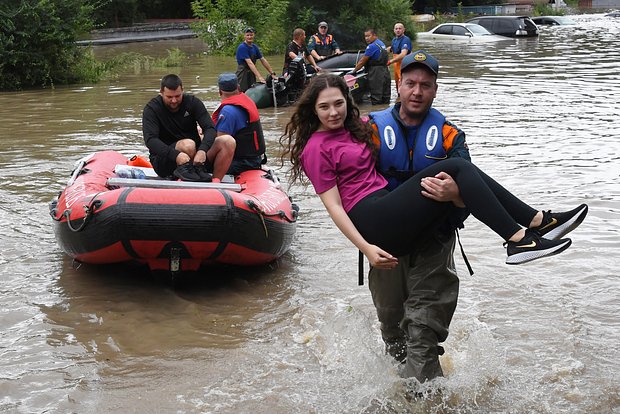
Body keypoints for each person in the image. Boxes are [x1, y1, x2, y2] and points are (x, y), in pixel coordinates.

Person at [279, 72, 588, 275]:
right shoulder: (315, 148)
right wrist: (366, 249)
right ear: (313, 110)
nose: (334, 113)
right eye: (324, 107)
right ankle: (523, 235)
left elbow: (401, 119)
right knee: (458, 168)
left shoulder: (356, 129)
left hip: (389, 207)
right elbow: (334, 207)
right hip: (372, 219)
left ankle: (536, 225)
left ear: (347, 102)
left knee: (462, 172)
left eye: (338, 104)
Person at [366, 50, 469, 382]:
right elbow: (347, 184)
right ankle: (404, 389)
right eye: (410, 83)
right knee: (393, 330)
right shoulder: (370, 130)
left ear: (435, 90)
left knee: (422, 332)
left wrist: (455, 194)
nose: (417, 91)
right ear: (398, 85)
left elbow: (474, 188)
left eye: (425, 85)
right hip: (386, 249)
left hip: (433, 245)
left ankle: (424, 402)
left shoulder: (451, 135)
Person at [142, 74, 235, 182]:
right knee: (188, 145)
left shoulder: (193, 102)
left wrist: (203, 150)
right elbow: (150, 140)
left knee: (228, 141)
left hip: (196, 159)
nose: (174, 101)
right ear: (161, 93)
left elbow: (210, 128)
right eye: (169, 97)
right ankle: (185, 177)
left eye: (177, 96)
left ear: (182, 90)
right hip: (166, 158)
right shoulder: (152, 109)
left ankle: (215, 182)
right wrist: (176, 155)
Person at [211, 73, 267, 176]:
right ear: (238, 87)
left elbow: (221, 143)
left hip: (241, 163)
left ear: (220, 92)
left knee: (198, 162)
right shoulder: (247, 101)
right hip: (255, 159)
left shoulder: (228, 111)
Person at [350, 28, 391, 105]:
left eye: (369, 36)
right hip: (385, 71)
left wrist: (354, 71)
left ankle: (376, 111)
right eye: (365, 36)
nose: (366, 38)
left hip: (376, 73)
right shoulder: (381, 43)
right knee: (386, 95)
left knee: (376, 96)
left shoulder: (371, 46)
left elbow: (362, 61)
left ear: (374, 35)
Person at [235, 27, 277, 92]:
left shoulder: (254, 47)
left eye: (251, 35)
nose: (249, 37)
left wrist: (272, 73)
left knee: (252, 90)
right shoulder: (242, 47)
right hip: (242, 73)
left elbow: (263, 60)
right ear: (244, 36)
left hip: (251, 73)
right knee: (241, 91)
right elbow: (250, 63)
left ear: (254, 35)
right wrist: (259, 77)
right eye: (247, 35)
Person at [386, 23, 412, 93]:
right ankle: (399, 100)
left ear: (403, 30)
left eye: (400, 28)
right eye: (396, 29)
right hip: (396, 66)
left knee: (404, 84)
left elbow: (403, 54)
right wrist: (381, 51)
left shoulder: (405, 40)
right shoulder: (394, 40)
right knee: (398, 85)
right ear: (394, 30)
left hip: (404, 65)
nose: (398, 30)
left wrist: (391, 61)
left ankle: (404, 100)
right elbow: (391, 49)